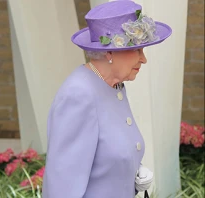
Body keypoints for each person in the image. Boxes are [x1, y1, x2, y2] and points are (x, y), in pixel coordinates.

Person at [42, 1, 172, 198]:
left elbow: (108, 156)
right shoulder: (79, 95)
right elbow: (62, 186)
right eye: (137, 50)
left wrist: (133, 176)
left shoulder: (113, 85)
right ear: (110, 52)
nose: (143, 59)